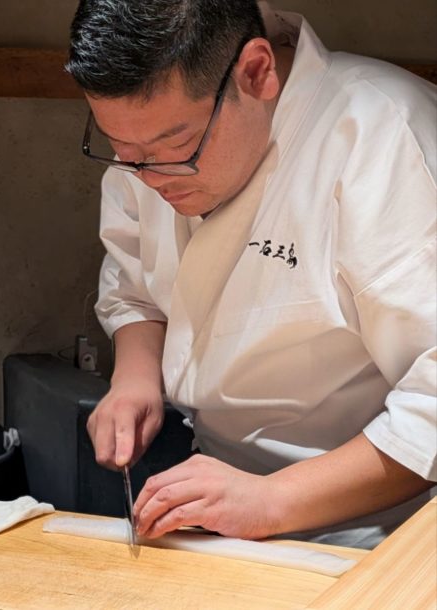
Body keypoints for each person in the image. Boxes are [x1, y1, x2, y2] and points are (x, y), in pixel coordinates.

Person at [67, 0, 436, 549]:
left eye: (176, 148)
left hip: (382, 528)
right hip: (222, 500)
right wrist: (135, 378)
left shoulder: (384, 137)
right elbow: (136, 283)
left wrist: (272, 500)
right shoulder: (149, 147)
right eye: (123, 151)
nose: (148, 177)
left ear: (257, 72)